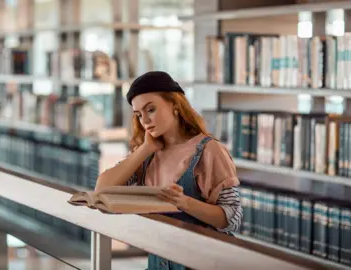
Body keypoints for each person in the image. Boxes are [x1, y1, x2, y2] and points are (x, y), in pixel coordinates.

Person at [95, 71, 242, 270]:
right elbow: (102, 190)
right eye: (139, 115)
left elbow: (232, 218)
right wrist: (146, 149)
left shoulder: (209, 150)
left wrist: (185, 203)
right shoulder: (147, 155)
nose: (145, 120)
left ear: (174, 105)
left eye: (151, 109)